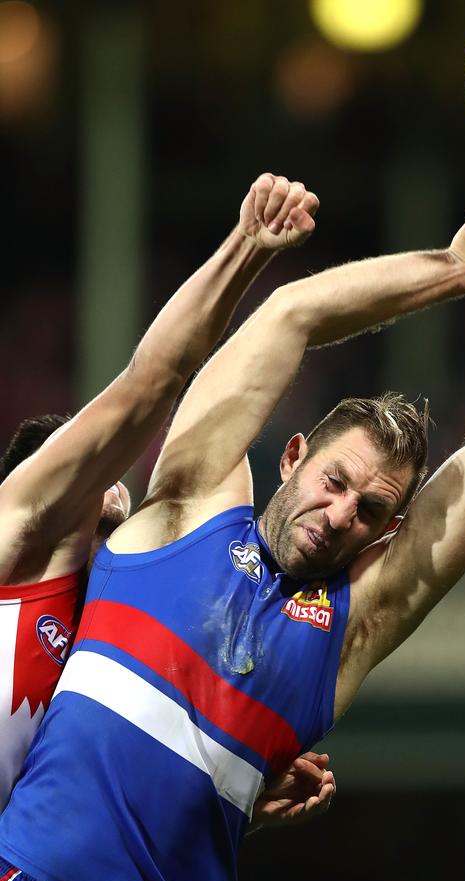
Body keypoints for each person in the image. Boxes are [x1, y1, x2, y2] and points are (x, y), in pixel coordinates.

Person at [0, 119, 465, 881]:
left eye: (370, 510)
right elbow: (293, 313)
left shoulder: (349, 633)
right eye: (332, 481)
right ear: (290, 456)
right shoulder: (188, 507)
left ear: (388, 534)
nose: (338, 514)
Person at [0, 173, 334, 821]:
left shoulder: (90, 651)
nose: (117, 481)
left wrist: (236, 790)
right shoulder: (19, 530)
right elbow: (150, 381)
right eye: (95, 474)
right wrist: (246, 247)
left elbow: (95, 806)